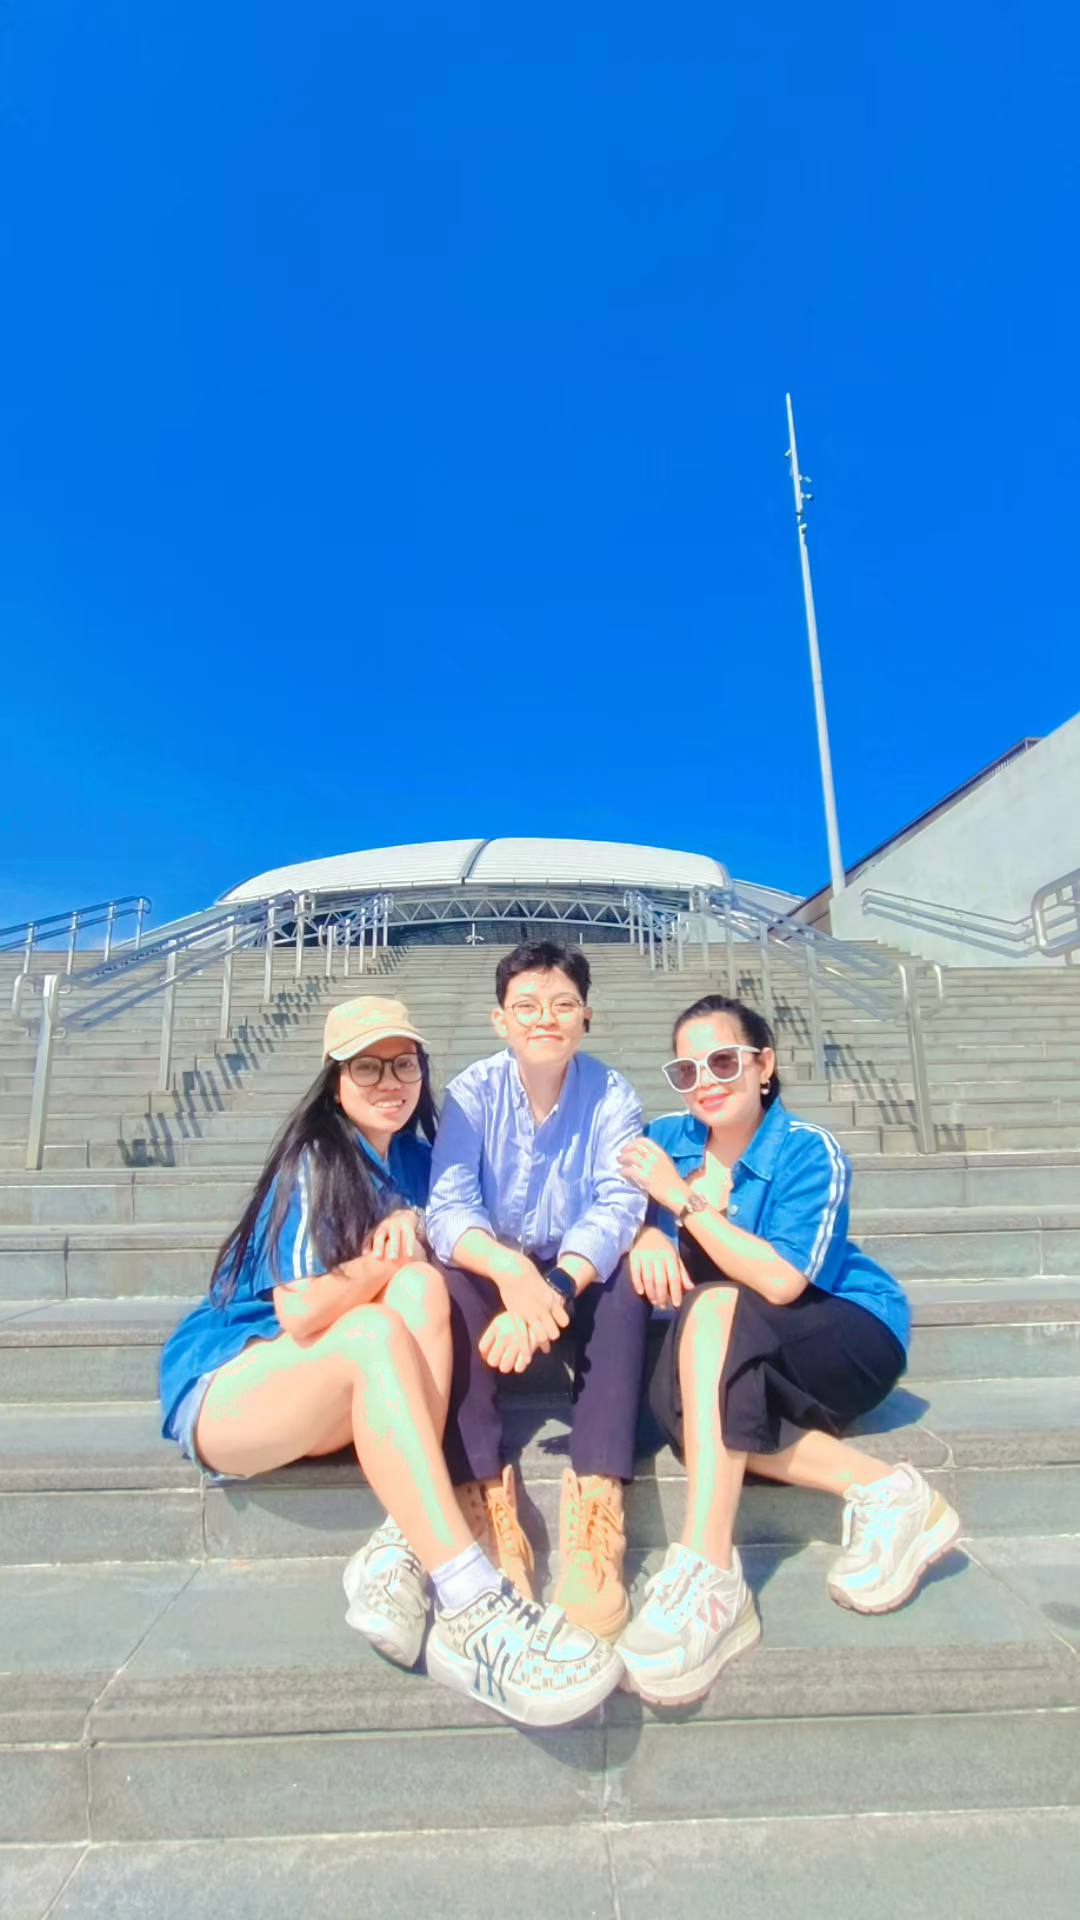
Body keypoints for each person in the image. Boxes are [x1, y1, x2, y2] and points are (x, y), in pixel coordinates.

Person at [158, 993, 622, 1728]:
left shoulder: (416, 1154)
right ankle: (472, 1605)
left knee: (419, 1287)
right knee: (377, 1323)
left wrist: (641, 1227)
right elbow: (301, 1313)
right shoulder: (317, 1158)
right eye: (366, 1067)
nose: (389, 1082)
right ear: (335, 1079)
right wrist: (390, 1252)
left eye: (403, 1064)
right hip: (233, 1388)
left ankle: (403, 1541)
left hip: (327, 1391)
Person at [616, 993, 960, 1707]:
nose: (705, 1081)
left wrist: (678, 1203)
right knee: (686, 1416)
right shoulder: (666, 1139)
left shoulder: (807, 1149)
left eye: (723, 1061)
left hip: (843, 1332)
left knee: (715, 1309)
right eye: (686, 1070)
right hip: (737, 1345)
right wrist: (644, 1230)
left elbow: (779, 1279)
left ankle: (709, 1571)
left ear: (764, 1064)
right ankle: (890, 1493)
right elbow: (611, 1207)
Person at [426, 941, 648, 1638]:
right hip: (497, 1265)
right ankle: (484, 1494)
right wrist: (512, 1274)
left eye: (562, 1004)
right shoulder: (471, 1094)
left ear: (586, 1016)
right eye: (525, 1006)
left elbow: (618, 1202)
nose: (544, 1018)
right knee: (448, 1283)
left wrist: (549, 1287)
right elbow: (448, 1208)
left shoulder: (613, 1094)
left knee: (626, 1281)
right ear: (500, 1020)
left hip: (568, 1270)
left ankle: (598, 1505)